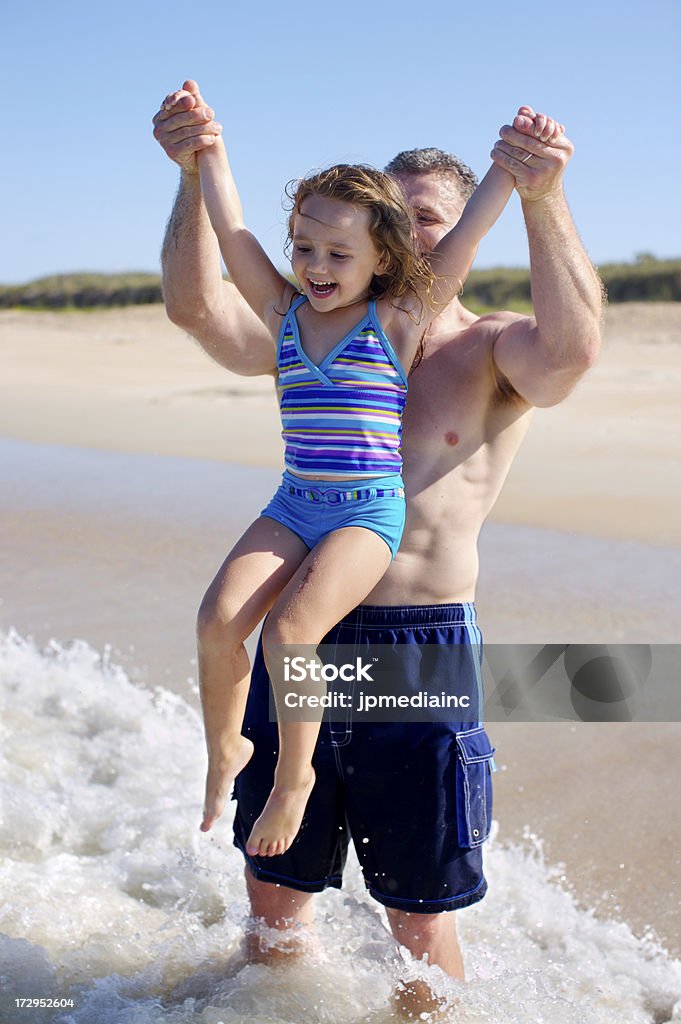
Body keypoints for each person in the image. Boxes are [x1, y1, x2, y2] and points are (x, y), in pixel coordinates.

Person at [153, 81, 603, 1016]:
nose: (408, 237)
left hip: (413, 645)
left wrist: (540, 193)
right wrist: (195, 169)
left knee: (417, 915)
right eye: (393, 218)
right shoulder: (315, 322)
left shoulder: (490, 349)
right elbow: (201, 305)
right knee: (273, 898)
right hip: (303, 631)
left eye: (426, 219)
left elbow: (570, 351)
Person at [187, 95, 561, 863]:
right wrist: (209, 151)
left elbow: (464, 237)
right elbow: (231, 234)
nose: (316, 267)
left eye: (338, 253)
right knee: (218, 620)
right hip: (294, 502)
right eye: (304, 249)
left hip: (365, 511)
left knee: (292, 630)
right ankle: (226, 749)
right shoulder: (282, 312)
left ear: (383, 259)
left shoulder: (395, 322)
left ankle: (293, 783)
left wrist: (508, 164)